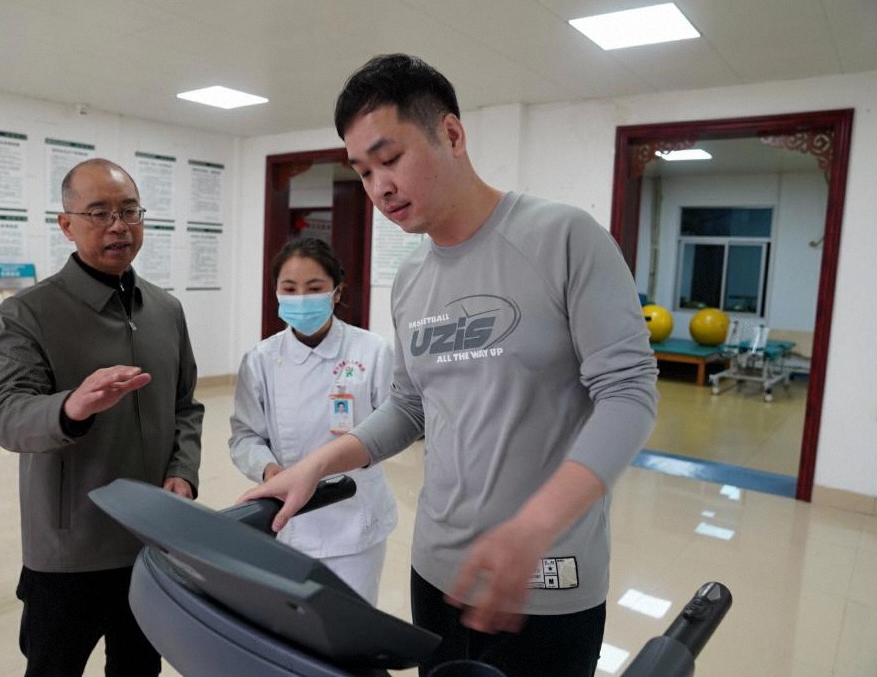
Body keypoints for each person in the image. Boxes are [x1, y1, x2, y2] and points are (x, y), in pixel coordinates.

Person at [239, 54, 658, 677]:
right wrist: (316, 466)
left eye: (390, 158)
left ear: (452, 135)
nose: (379, 187)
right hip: (438, 571)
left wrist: (533, 528)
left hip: (544, 574)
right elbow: (409, 407)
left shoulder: (565, 238)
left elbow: (628, 393)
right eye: (363, 171)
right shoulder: (411, 279)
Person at [0, 158, 204, 677]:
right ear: (66, 224)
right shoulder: (30, 311)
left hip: (149, 539)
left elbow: (185, 405)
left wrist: (183, 470)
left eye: (130, 211)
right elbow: (5, 413)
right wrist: (70, 407)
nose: (118, 226)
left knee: (138, 668)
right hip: (69, 550)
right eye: (99, 213)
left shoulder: (165, 309)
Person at [230, 237, 397, 604]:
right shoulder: (260, 360)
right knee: (290, 623)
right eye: (290, 289)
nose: (301, 298)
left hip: (354, 521)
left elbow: (395, 426)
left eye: (314, 287)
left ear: (336, 292)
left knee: (350, 625)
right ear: (276, 292)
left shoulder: (371, 351)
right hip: (286, 521)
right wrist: (271, 471)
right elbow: (244, 436)